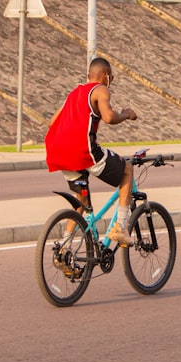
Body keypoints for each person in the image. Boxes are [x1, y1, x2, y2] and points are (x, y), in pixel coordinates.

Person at [45, 57, 138, 246]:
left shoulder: (74, 93)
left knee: (81, 204)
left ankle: (64, 249)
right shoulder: (100, 89)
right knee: (127, 169)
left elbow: (52, 122)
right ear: (106, 76)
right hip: (84, 152)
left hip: (60, 153)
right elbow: (109, 117)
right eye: (111, 78)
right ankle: (120, 227)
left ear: (88, 75)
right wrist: (126, 114)